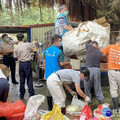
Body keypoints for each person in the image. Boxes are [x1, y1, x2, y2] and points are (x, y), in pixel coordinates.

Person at [44, 34, 70, 110]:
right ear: (56, 41)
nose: (61, 42)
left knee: (49, 91)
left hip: (48, 74)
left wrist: (45, 72)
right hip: (56, 75)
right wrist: (69, 62)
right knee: (58, 93)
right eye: (60, 41)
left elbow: (45, 62)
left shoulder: (46, 51)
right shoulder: (59, 52)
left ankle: (49, 107)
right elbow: (61, 64)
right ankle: (59, 109)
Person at [13, 33, 35, 99]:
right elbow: (34, 45)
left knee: (22, 80)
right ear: (23, 38)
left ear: (17, 39)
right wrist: (34, 42)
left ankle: (22, 94)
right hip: (27, 64)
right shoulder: (27, 44)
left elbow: (15, 57)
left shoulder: (16, 47)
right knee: (29, 78)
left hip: (21, 64)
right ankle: (31, 93)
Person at [101, 36, 120, 112]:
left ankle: (116, 107)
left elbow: (102, 54)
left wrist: (100, 48)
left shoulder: (110, 47)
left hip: (111, 71)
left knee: (113, 88)